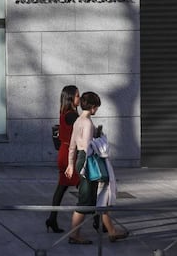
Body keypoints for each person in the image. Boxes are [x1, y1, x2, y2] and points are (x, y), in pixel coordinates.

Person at [64, 92, 129, 244]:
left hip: (81, 160)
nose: (97, 110)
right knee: (86, 200)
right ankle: (74, 235)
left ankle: (112, 231)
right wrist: (99, 142)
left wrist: (71, 164)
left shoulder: (78, 121)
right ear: (93, 107)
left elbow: (72, 145)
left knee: (99, 196)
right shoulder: (87, 123)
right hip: (89, 161)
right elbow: (88, 147)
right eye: (97, 107)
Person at [45, 85, 80, 233]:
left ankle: (52, 219)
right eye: (78, 95)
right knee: (87, 187)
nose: (80, 98)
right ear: (71, 97)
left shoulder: (64, 112)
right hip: (70, 154)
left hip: (64, 152)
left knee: (62, 187)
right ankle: (98, 222)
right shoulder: (72, 115)